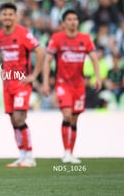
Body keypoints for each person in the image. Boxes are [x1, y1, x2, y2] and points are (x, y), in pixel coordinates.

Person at [43, 9, 102, 164]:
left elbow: (94, 58)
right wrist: (45, 83)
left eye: (75, 19)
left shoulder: (85, 38)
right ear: (63, 23)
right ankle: (66, 152)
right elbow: (48, 60)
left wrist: (98, 77)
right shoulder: (57, 38)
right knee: (67, 115)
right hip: (63, 84)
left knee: (75, 119)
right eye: (69, 19)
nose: (73, 21)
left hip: (78, 85)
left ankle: (71, 152)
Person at [0, 2, 45, 167]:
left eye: (10, 14)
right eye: (4, 14)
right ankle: (22, 155)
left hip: (22, 83)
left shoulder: (23, 33)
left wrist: (34, 75)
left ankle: (30, 155)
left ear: (16, 16)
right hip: (8, 83)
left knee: (20, 117)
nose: (7, 17)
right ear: (0, 16)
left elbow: (40, 51)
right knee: (14, 120)